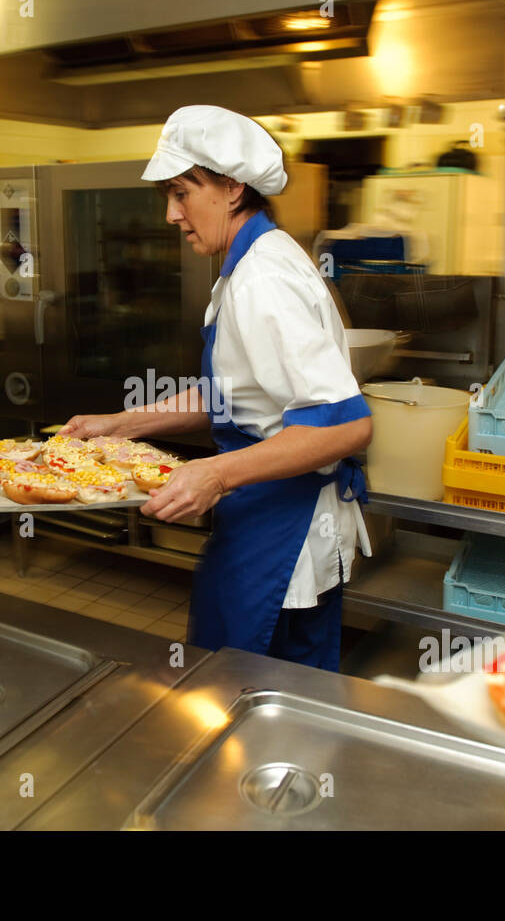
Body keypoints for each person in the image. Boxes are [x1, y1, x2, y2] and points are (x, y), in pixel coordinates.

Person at [60, 105, 372, 672]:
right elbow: (234, 393)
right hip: (264, 511)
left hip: (286, 527)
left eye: (182, 194)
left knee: (245, 687)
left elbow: (346, 423)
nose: (171, 215)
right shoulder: (246, 264)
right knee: (242, 684)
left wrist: (214, 474)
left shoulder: (264, 278)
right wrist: (118, 424)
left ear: (231, 189)